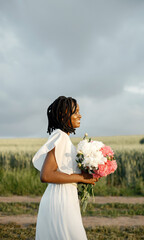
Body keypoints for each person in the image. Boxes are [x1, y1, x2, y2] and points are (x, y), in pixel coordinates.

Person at [32, 96, 98, 240]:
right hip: (60, 199)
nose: (80, 115)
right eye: (75, 112)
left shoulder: (63, 138)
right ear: (63, 115)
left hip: (65, 197)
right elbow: (47, 175)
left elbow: (63, 171)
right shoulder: (60, 137)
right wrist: (82, 178)